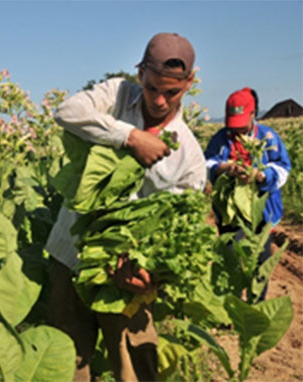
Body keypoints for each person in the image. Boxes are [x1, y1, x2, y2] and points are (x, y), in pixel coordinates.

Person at [45, 32, 207, 382]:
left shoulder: (190, 157)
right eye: (151, 88)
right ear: (140, 74)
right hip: (71, 254)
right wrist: (129, 137)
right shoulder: (117, 95)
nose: (160, 101)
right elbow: (67, 111)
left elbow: (178, 229)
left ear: (189, 83)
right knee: (68, 362)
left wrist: (149, 279)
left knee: (136, 364)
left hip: (131, 274)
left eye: (172, 92)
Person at [204, 87, 291, 301]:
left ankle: (255, 303)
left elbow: (283, 168)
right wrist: (225, 168)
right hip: (230, 213)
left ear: (253, 115)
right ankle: (229, 305)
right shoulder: (220, 139)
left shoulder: (268, 137)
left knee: (260, 261)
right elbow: (207, 163)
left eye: (242, 124)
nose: (238, 131)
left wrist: (261, 175)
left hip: (262, 210)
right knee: (229, 257)